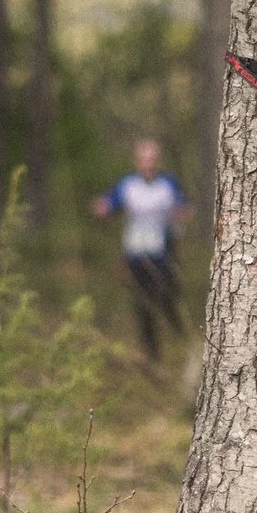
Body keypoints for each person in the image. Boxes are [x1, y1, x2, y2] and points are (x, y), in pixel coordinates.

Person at [93, 138, 192, 361]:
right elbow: (108, 204)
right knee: (142, 305)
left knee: (168, 299)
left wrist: (177, 214)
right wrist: (102, 208)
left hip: (163, 254)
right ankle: (152, 355)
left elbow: (186, 208)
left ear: (158, 161)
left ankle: (184, 345)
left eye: (152, 159)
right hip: (136, 255)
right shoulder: (127, 185)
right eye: (144, 159)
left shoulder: (168, 183)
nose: (148, 164)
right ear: (137, 161)